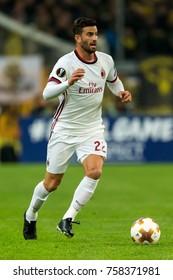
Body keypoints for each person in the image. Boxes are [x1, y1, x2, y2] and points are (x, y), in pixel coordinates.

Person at [23, 17, 132, 240]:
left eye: (96, 34)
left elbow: (113, 80)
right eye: (89, 35)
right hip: (64, 129)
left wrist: (120, 92)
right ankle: (31, 214)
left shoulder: (106, 60)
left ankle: (68, 218)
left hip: (92, 128)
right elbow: (46, 93)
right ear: (77, 38)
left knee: (95, 171)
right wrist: (68, 83)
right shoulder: (66, 63)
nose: (94, 39)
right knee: (51, 184)